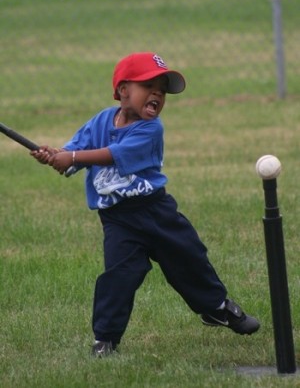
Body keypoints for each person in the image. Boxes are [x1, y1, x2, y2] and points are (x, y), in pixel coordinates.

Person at [31, 52, 260, 357]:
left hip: (156, 211)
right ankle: (106, 340)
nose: (157, 94)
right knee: (119, 276)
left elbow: (113, 153)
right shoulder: (100, 120)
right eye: (148, 85)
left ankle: (216, 308)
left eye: (162, 91)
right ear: (123, 90)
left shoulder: (152, 129)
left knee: (190, 259)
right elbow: (75, 152)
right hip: (118, 219)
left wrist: (71, 158)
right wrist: (57, 156)